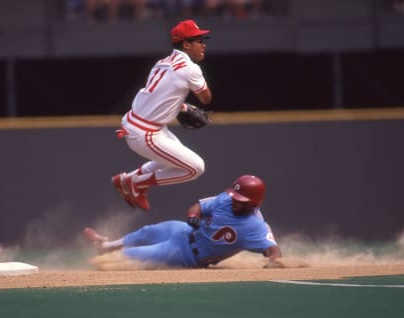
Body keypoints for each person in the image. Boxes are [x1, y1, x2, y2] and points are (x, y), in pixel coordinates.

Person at [111, 19, 213, 212]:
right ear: (186, 44)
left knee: (173, 159)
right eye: (199, 40)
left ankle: (125, 180)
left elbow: (160, 95)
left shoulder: (162, 63)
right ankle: (137, 183)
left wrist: (181, 107)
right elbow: (206, 98)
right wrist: (188, 100)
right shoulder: (190, 69)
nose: (203, 44)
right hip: (146, 132)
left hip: (139, 124)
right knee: (196, 168)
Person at [86, 175, 284, 269]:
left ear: (253, 203)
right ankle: (106, 246)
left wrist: (274, 262)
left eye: (239, 200)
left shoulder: (256, 227)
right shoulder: (226, 199)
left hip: (187, 255)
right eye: (234, 196)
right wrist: (193, 218)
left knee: (128, 257)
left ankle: (107, 256)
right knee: (147, 231)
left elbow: (274, 251)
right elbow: (197, 207)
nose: (234, 201)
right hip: (184, 231)